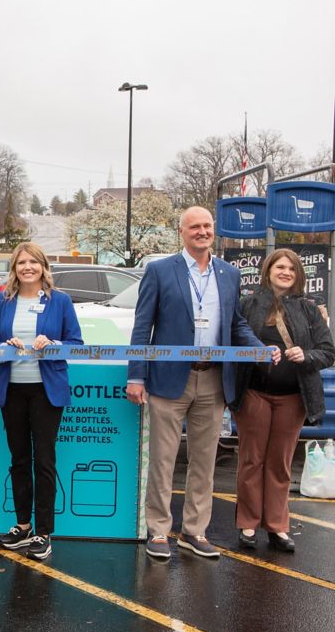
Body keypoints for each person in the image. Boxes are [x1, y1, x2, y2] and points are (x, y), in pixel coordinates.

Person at [127, 206, 279, 560]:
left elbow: (237, 324)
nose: (202, 231)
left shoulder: (228, 273)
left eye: (207, 226)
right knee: (164, 459)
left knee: (204, 460)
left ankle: (194, 531)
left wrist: (258, 349)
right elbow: (142, 326)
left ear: (214, 231)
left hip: (212, 378)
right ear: (181, 231)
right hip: (168, 379)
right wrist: (136, 374)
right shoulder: (160, 270)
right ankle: (160, 531)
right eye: (194, 226)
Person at [0, 242, 82, 561]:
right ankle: (22, 526)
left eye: (33, 262)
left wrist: (52, 343)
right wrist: (4, 344)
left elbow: (75, 343)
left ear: (43, 266)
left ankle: (43, 532)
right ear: (13, 268)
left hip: (45, 391)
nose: (27, 267)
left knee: (44, 461)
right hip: (11, 389)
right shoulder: (2, 300)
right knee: (19, 459)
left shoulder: (60, 301)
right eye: (21, 262)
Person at [230, 249, 334, 552]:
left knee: (280, 463)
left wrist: (307, 354)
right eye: (280, 267)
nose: (285, 272)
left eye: (291, 268)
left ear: (298, 274)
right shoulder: (248, 305)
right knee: (252, 460)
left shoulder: (309, 309)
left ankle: (277, 526)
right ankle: (248, 524)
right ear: (268, 270)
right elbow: (234, 342)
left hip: (293, 398)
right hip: (254, 393)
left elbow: (328, 351)